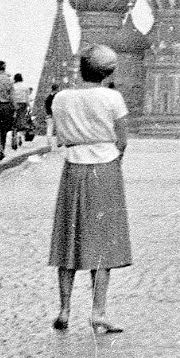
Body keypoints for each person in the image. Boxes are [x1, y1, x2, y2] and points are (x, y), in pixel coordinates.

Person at [49, 45, 133, 333]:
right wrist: (111, 158)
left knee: (68, 237)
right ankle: (98, 313)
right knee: (102, 243)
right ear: (108, 72)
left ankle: (64, 309)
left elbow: (60, 136)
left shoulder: (61, 98)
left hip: (72, 167)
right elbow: (122, 140)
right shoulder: (112, 97)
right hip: (105, 167)